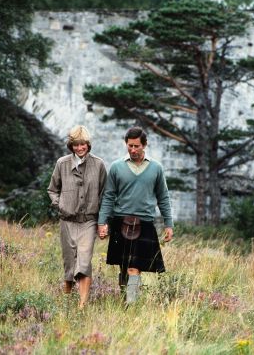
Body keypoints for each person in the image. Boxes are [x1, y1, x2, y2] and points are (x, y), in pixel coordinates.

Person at [98, 126, 173, 305]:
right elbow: (108, 196)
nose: (132, 150)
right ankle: (126, 298)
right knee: (125, 267)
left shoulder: (156, 168)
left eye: (136, 146)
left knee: (134, 267)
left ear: (144, 145)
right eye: (129, 146)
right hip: (120, 221)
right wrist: (102, 222)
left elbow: (163, 196)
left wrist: (168, 224)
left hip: (145, 222)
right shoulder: (116, 167)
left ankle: (130, 305)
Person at [48, 125, 107, 308]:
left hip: (89, 221)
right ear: (71, 146)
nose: (80, 148)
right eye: (76, 145)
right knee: (69, 262)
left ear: (88, 144)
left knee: (84, 261)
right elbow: (52, 189)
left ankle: (82, 305)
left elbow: (105, 195)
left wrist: (103, 222)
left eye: (83, 144)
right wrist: (61, 205)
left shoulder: (99, 165)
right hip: (67, 221)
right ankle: (66, 299)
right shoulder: (62, 163)